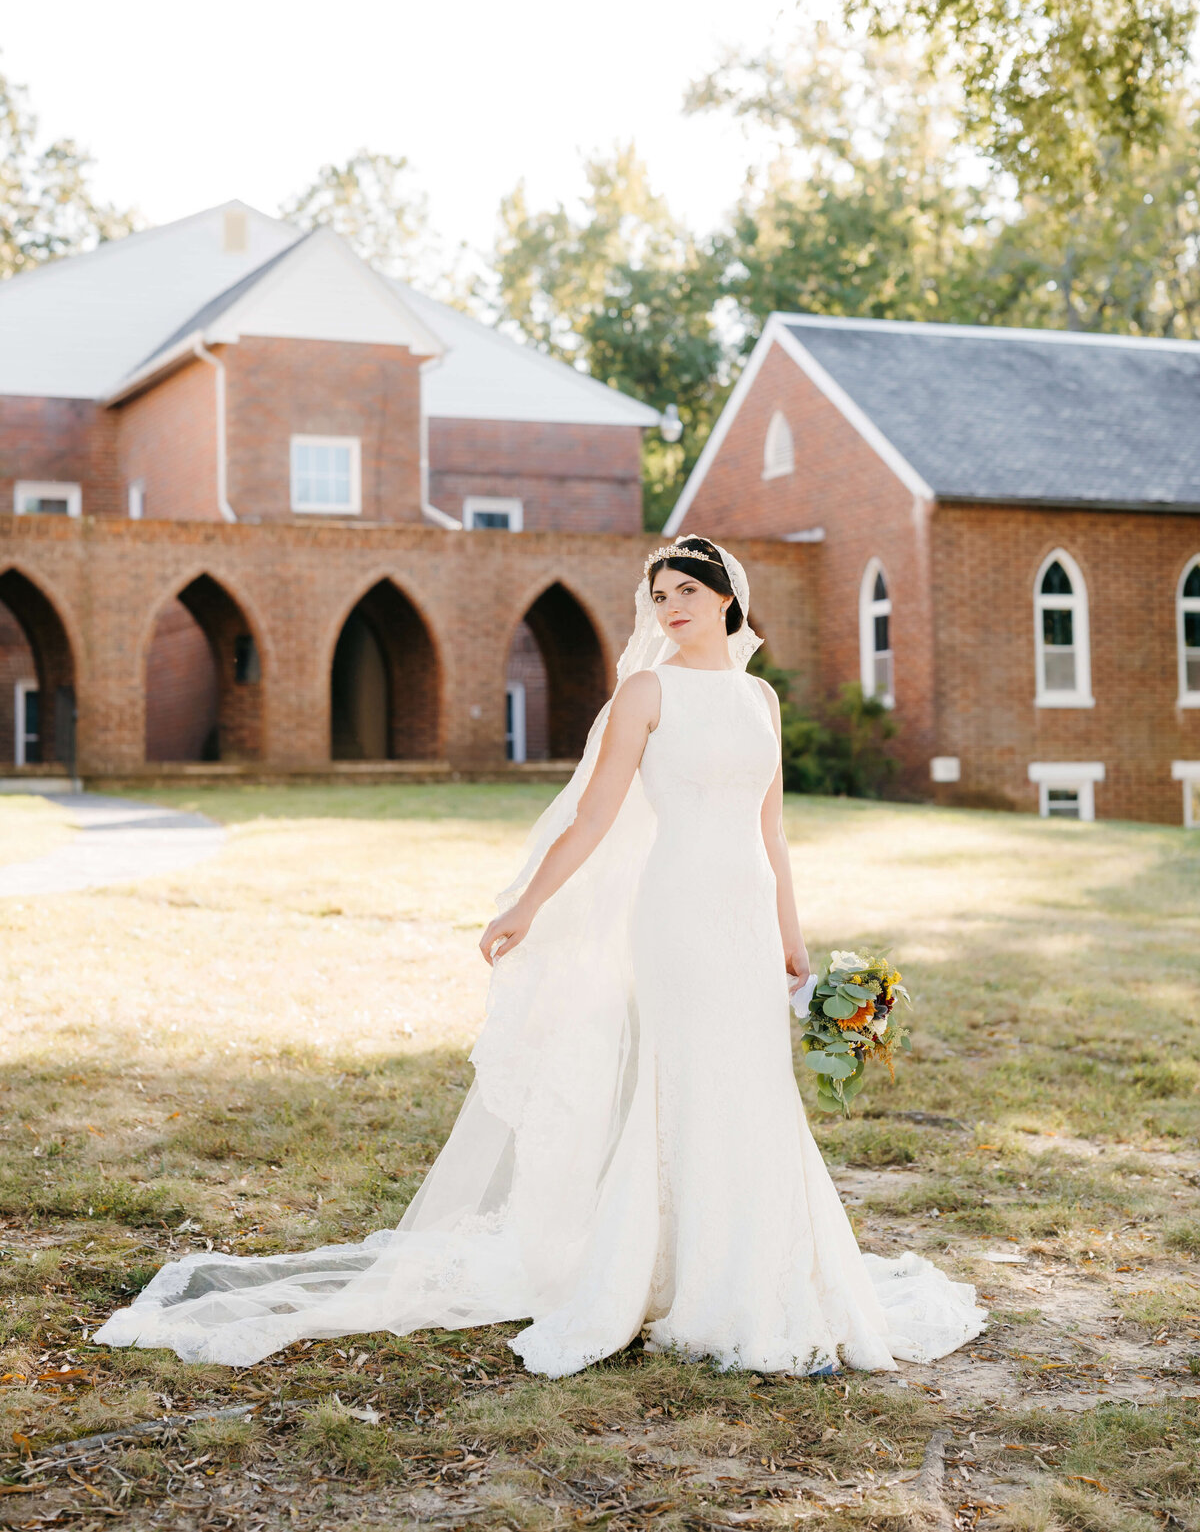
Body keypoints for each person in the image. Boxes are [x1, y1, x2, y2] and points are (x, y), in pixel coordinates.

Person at [94, 536, 983, 1375]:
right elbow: (593, 818)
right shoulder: (646, 694)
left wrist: (793, 938)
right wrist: (526, 905)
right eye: (659, 596)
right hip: (674, 912)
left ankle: (764, 1271)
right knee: (687, 1085)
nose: (669, 607)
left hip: (747, 914)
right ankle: (681, 1282)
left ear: (727, 602)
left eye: (687, 593)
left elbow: (774, 831)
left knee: (756, 1084)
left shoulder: (762, 701)